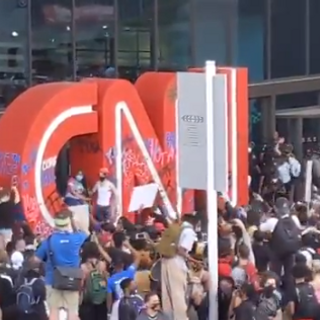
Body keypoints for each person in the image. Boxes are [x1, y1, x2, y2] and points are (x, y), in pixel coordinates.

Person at [35, 209, 89, 320]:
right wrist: (74, 223)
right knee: (72, 313)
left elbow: (36, 259)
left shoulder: (49, 241)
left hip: (52, 281)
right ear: (69, 222)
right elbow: (87, 233)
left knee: (54, 313)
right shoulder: (77, 238)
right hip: (72, 281)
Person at [160, 213, 198, 320]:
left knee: (167, 297)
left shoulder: (177, 228)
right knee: (178, 296)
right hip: (176, 262)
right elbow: (181, 250)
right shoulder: (189, 231)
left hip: (165, 261)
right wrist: (194, 260)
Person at [107, 239, 141, 317]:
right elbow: (138, 257)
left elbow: (109, 299)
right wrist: (128, 245)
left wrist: (109, 312)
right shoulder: (129, 272)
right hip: (132, 302)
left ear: (113, 265)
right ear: (122, 264)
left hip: (119, 305)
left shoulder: (110, 280)